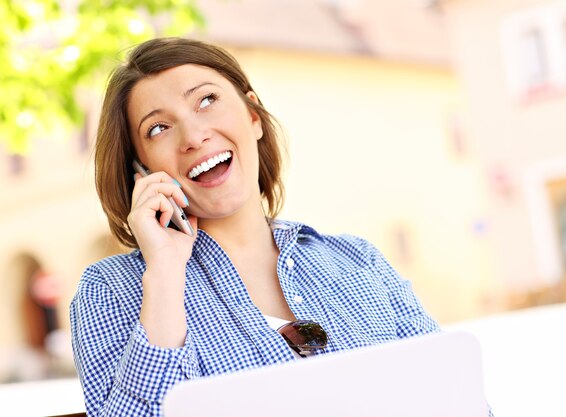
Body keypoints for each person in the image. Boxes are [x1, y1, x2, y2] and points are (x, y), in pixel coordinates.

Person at [70, 37, 442, 417]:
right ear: (142, 171)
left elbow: (453, 395)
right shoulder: (110, 292)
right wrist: (165, 274)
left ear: (254, 116)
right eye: (159, 128)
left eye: (207, 100)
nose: (194, 137)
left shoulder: (357, 260)